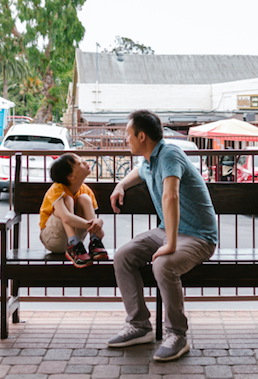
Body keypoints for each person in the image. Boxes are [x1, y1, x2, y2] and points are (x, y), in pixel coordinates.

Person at [107, 110, 218, 361]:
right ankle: (139, 326)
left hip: (199, 235)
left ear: (142, 136)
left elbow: (171, 195)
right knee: (123, 256)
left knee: (164, 264)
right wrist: (121, 184)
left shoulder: (169, 155)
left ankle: (177, 334)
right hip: (167, 231)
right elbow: (140, 172)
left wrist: (171, 244)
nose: (126, 139)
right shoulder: (148, 160)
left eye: (128, 135)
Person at [39, 153, 108, 268]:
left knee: (84, 198)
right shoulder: (57, 189)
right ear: (70, 176)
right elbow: (66, 217)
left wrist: (96, 225)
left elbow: (88, 216)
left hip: (76, 235)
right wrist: (94, 225)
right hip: (53, 238)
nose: (85, 162)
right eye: (80, 163)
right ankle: (73, 245)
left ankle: (95, 241)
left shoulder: (85, 190)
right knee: (68, 200)